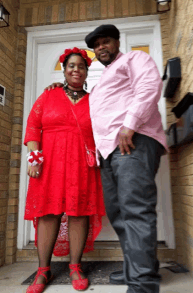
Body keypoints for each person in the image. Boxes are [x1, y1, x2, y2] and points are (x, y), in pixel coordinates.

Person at [48, 24, 169, 293]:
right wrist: (61, 88)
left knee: (135, 211)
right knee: (119, 214)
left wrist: (130, 124)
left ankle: (143, 284)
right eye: (96, 45)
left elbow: (149, 86)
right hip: (109, 153)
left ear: (116, 42)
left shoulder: (135, 59)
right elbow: (86, 108)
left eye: (106, 42)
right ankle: (133, 269)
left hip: (133, 142)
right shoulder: (104, 80)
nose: (101, 47)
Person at [24, 47, 105, 293]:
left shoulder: (94, 101)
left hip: (82, 164)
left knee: (79, 212)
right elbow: (33, 126)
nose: (76, 70)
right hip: (49, 163)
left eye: (81, 66)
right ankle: (43, 270)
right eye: (71, 65)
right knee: (48, 213)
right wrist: (34, 158)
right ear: (64, 69)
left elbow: (103, 130)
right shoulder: (48, 96)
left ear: (86, 71)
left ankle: (75, 266)